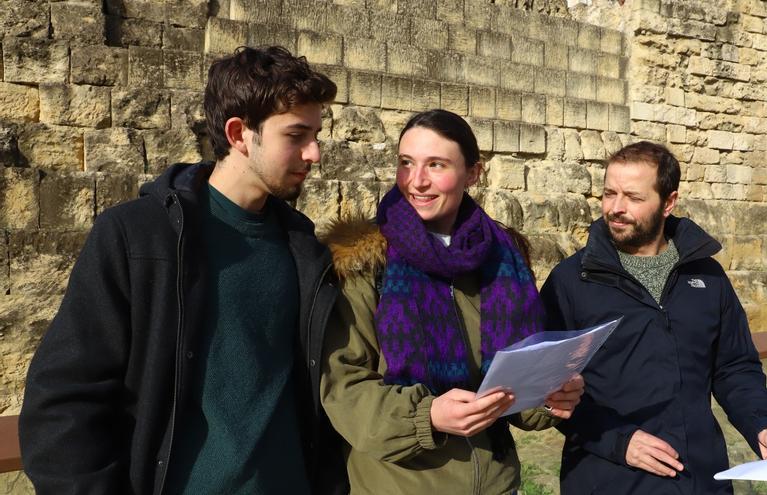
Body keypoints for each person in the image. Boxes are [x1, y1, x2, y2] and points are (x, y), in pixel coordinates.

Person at [19, 46, 347, 494]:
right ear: (238, 134)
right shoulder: (137, 237)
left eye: (316, 135)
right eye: (296, 135)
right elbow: (63, 402)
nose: (315, 154)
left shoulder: (305, 250)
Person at [320, 109, 585, 494]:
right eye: (406, 163)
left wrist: (550, 395)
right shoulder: (365, 262)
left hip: (497, 483)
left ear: (473, 174)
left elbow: (518, 382)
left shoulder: (504, 257)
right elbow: (344, 387)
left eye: (436, 165)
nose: (417, 181)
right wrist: (428, 416)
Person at [540, 141, 767, 494]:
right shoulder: (569, 281)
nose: (616, 208)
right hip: (607, 480)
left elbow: (735, 368)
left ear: (669, 203)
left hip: (702, 480)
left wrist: (763, 426)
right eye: (609, 193)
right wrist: (618, 441)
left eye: (632, 197)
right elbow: (547, 389)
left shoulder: (707, 277)